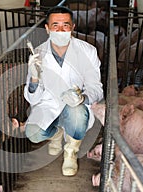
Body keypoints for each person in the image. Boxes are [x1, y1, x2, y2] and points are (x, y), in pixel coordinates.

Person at [24, 5, 104, 176]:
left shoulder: (88, 51)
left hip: (75, 107)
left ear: (73, 27)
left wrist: (82, 98)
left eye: (65, 25)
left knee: (76, 112)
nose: (60, 30)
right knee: (33, 133)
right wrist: (34, 78)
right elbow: (32, 97)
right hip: (49, 106)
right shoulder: (39, 52)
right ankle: (56, 133)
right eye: (55, 25)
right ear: (47, 29)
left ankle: (71, 151)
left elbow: (96, 88)